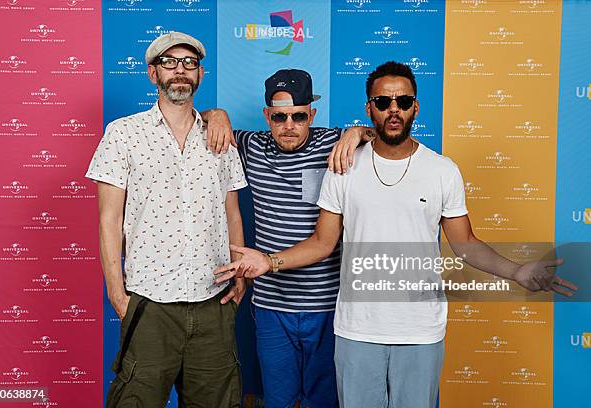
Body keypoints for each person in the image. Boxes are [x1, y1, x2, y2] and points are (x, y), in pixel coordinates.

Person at [214, 61, 577, 408]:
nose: (393, 109)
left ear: (415, 107)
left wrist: (517, 272)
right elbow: (323, 242)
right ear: (370, 108)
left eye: (402, 101)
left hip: (419, 330)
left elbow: (465, 244)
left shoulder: (437, 170)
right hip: (354, 328)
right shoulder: (343, 167)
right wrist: (217, 114)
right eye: (383, 102)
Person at [86, 32, 247, 408]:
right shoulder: (123, 134)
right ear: (152, 73)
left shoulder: (219, 137)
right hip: (149, 303)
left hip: (214, 302)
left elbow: (232, 211)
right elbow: (108, 220)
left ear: (200, 75)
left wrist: (238, 273)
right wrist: (116, 291)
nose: (180, 71)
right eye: (169, 62)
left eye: (189, 63)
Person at [203, 68, 374, 408]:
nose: (289, 126)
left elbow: (386, 136)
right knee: (277, 399)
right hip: (271, 306)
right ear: (267, 115)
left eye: (299, 116)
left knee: (325, 399)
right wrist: (216, 115)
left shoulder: (333, 143)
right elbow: (195, 121)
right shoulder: (251, 146)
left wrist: (358, 132)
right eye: (279, 117)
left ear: (312, 114)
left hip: (325, 304)